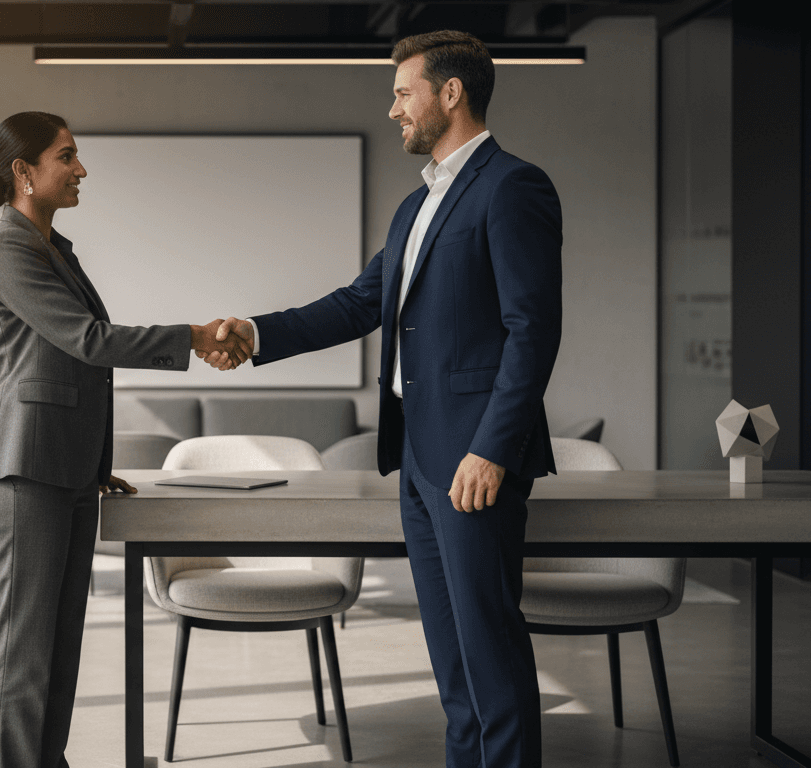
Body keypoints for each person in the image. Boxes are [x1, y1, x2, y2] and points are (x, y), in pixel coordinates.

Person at [204, 31, 562, 768]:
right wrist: (254, 333)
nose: (393, 107)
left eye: (404, 92)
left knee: (488, 648)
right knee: (452, 661)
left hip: (473, 458)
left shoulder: (512, 187)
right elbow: (357, 304)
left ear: (450, 93)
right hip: (421, 462)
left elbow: (535, 330)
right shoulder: (415, 206)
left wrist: (493, 447)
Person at [0, 111, 251, 768]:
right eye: (66, 156)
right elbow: (88, 343)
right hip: (26, 469)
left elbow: (70, 368)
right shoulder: (9, 248)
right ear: (24, 171)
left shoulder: (52, 249)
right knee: (23, 648)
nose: (80, 169)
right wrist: (193, 334)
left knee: (60, 642)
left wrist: (97, 463)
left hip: (65, 469)